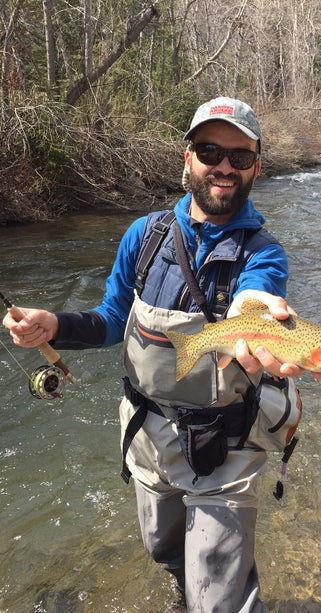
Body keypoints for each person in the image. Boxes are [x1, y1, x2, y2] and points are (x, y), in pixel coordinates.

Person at [3, 97, 304, 613]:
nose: (224, 167)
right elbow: (112, 319)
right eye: (210, 150)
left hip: (224, 447)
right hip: (147, 435)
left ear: (257, 166)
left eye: (239, 155)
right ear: (187, 157)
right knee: (164, 552)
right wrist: (55, 325)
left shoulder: (264, 252)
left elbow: (256, 297)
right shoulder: (144, 236)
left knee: (221, 598)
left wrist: (253, 317)